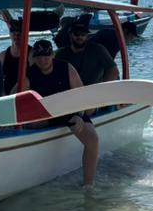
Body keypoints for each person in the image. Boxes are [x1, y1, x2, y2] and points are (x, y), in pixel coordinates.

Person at [21, 39, 101, 188]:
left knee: (93, 140)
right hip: (46, 115)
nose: (43, 60)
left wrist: (79, 114)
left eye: (46, 55)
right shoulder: (29, 74)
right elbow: (15, 98)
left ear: (52, 55)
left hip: (70, 112)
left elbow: (81, 95)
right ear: (34, 58)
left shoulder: (66, 68)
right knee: (26, 125)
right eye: (38, 56)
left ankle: (88, 184)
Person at [56, 19, 119, 86]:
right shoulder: (61, 54)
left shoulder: (97, 49)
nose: (80, 37)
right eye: (76, 34)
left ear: (87, 36)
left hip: (93, 92)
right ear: (70, 35)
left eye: (83, 34)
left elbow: (113, 71)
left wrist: (101, 88)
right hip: (70, 93)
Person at [0, 19, 31, 95]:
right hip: (5, 96)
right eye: (13, 32)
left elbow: (31, 79)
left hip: (25, 95)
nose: (16, 35)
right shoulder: (3, 56)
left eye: (19, 32)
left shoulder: (31, 54)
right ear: (10, 34)